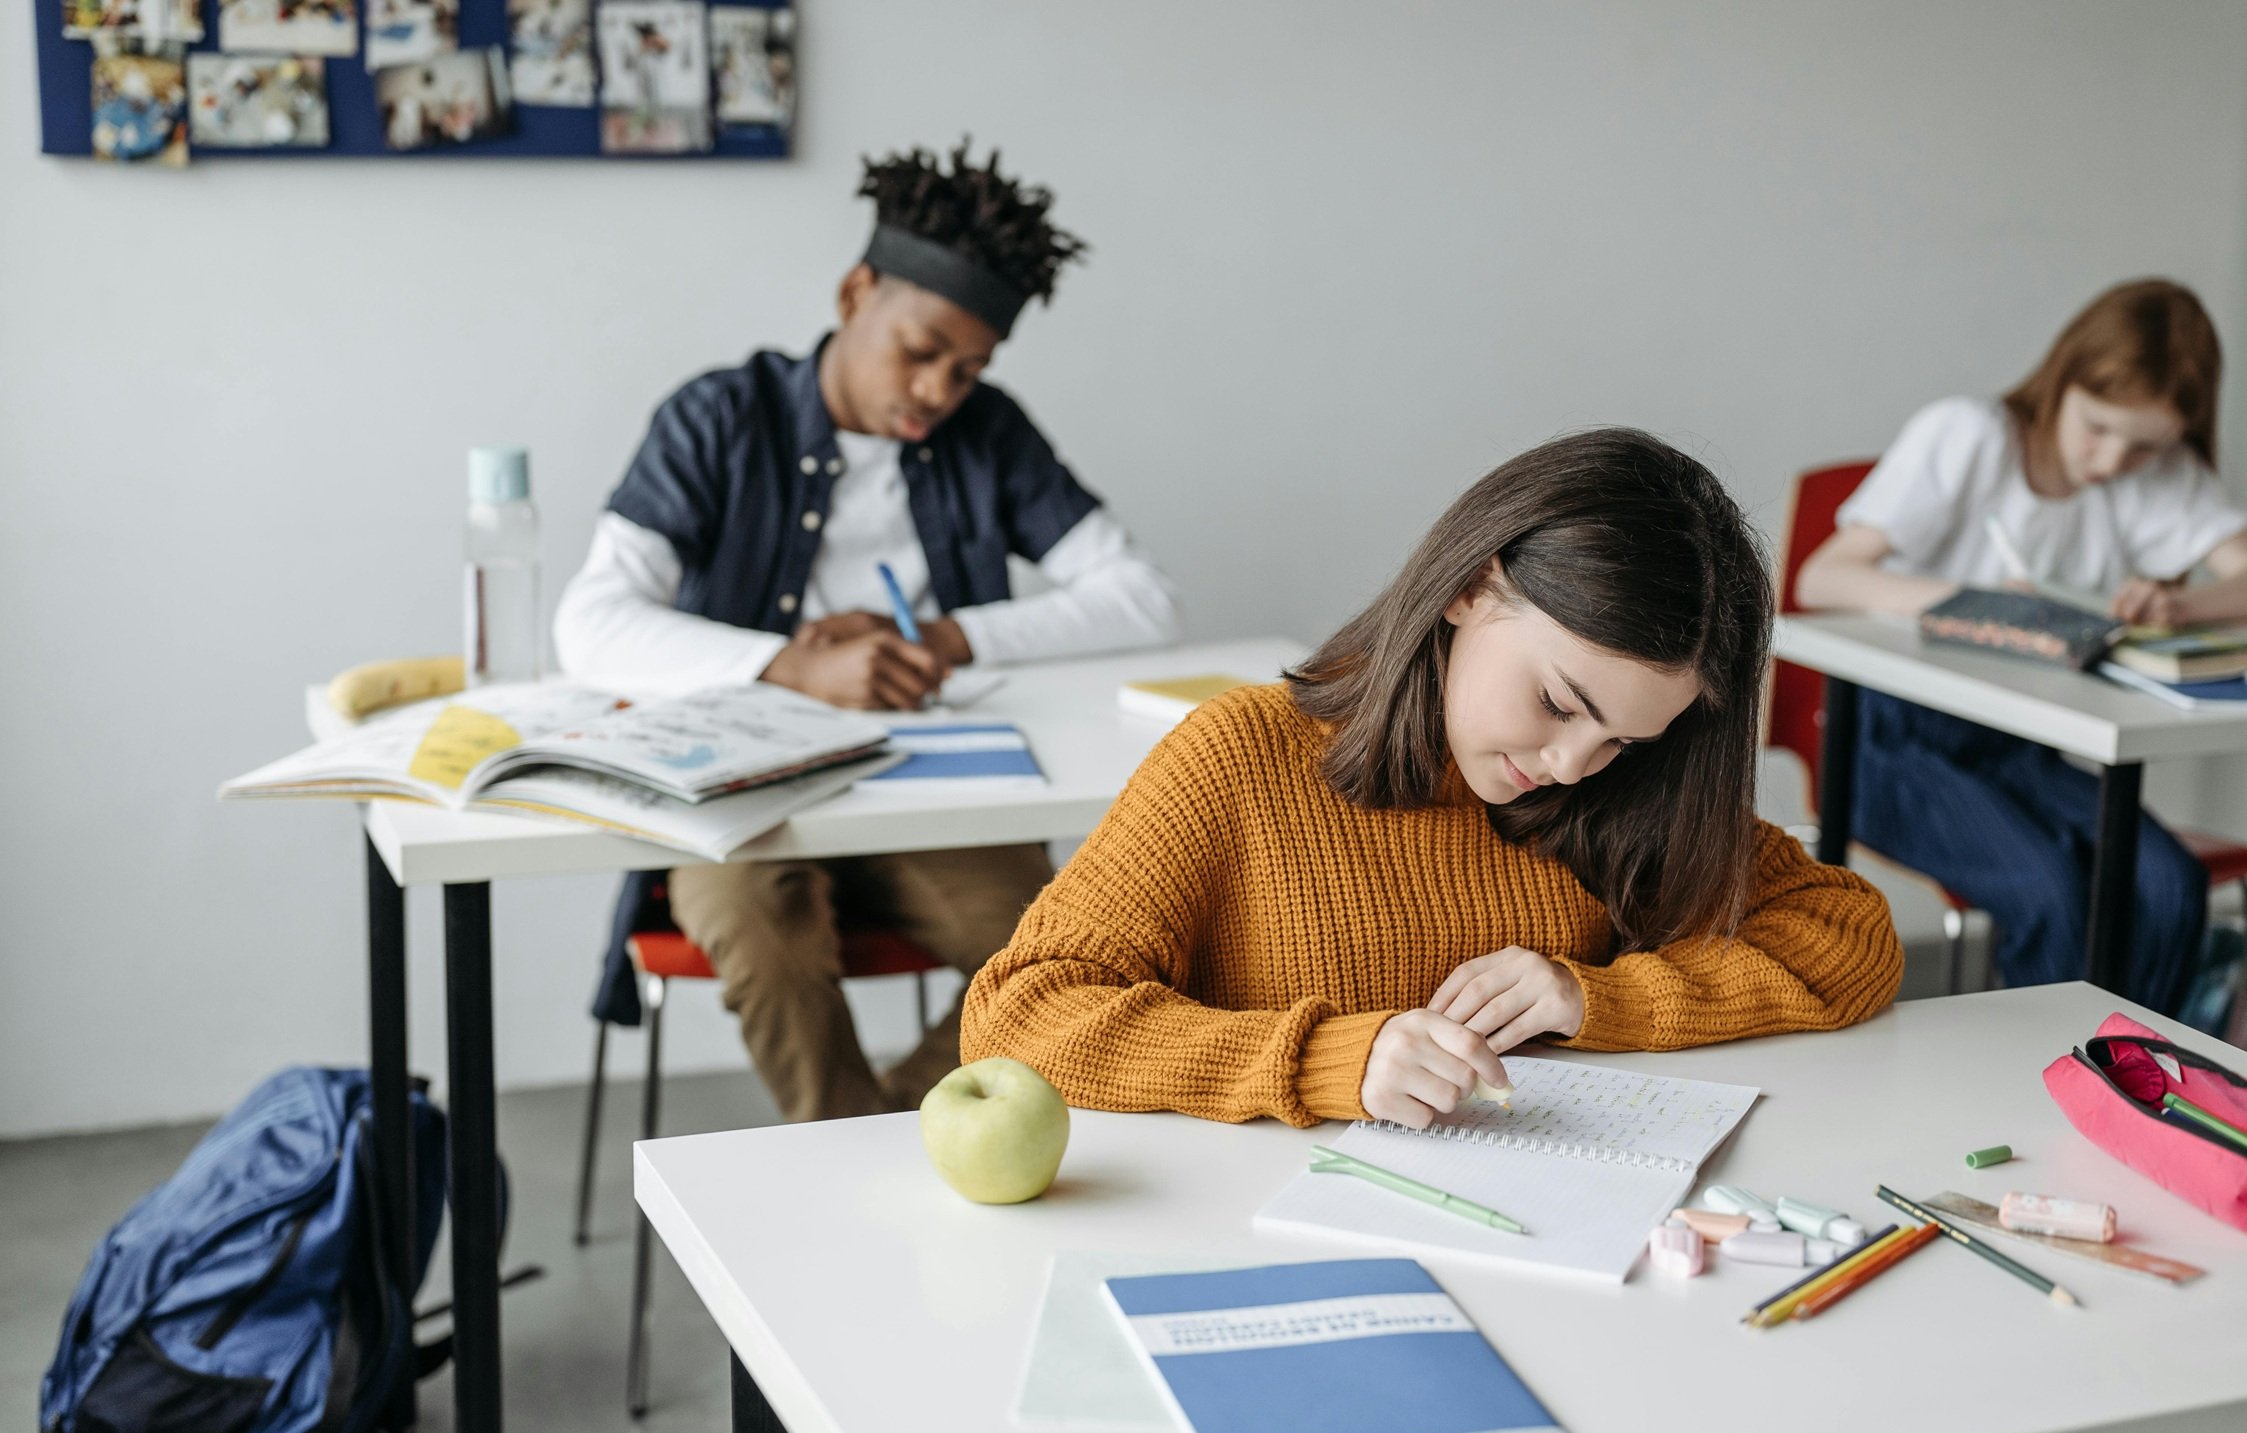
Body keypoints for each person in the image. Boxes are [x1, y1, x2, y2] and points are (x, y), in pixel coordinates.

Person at [962, 429, 1900, 1128]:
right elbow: (1017, 1018)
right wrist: (1330, 1059)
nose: (1569, 765)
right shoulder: (1243, 755)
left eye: (1623, 740)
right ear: (1468, 588)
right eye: (1558, 703)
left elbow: (1848, 936)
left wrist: (1595, 999)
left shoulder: (1620, 793)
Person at [557, 143, 1179, 1122]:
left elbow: (1143, 597)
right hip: (744, 797)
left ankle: (874, 1137)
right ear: (855, 294)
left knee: (1056, 953)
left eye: (968, 370)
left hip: (936, 792)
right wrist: (792, 668)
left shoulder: (988, 433)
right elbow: (590, 622)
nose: (939, 391)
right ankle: (861, 1147)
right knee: (757, 930)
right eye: (921, 352)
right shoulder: (720, 417)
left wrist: (946, 638)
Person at [1796, 279, 2247, 1013]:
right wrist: (1976, 605)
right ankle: (2051, 1067)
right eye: (2097, 427)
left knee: (2169, 884)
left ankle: (2126, 1063)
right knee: (2050, 893)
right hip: (1895, 746)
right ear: (2062, 379)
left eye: (2143, 447)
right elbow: (1822, 577)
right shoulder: (1971, 434)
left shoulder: (2159, 473)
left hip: (2019, 746)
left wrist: (2181, 605)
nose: (2111, 460)